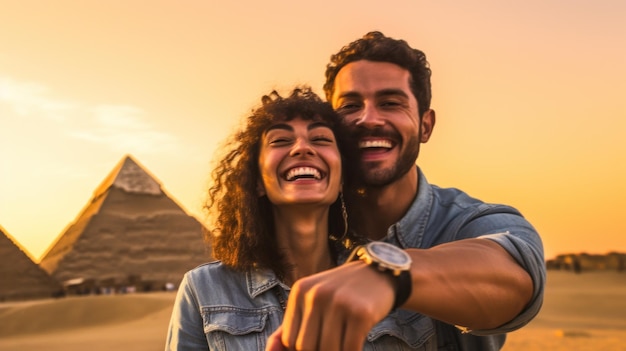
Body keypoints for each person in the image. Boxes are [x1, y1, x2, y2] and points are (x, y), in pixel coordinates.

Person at [266, 31, 546, 350]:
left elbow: (516, 276)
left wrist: (388, 274)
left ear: (425, 125)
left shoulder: (467, 222)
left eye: (390, 103)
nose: (368, 119)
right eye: (350, 106)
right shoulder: (300, 227)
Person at [164, 87, 363, 350]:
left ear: (342, 179)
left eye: (321, 139)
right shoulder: (204, 290)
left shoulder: (385, 282)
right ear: (257, 181)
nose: (302, 148)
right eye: (280, 141)